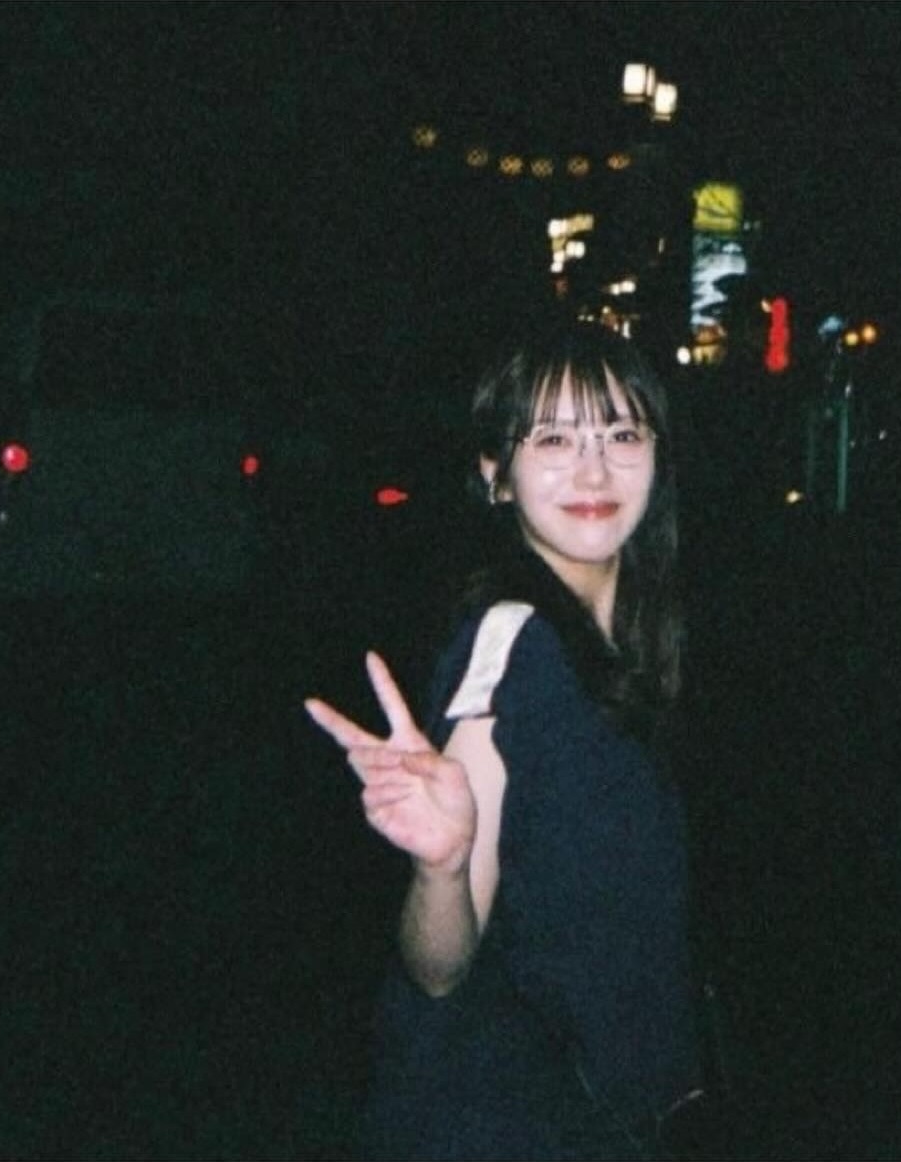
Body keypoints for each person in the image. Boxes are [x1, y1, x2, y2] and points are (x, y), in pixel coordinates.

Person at [304, 321, 704, 1159]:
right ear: (496, 476)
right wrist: (442, 863)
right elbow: (438, 968)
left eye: (621, 434)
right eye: (553, 439)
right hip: (509, 1125)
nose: (593, 470)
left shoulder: (625, 641)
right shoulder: (515, 643)